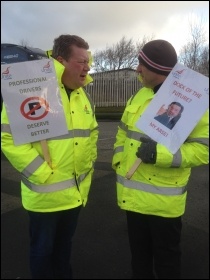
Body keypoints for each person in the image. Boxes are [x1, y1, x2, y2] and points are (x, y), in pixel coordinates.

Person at [1, 34, 99, 279]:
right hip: (45, 197)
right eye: (80, 61)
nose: (87, 67)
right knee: (42, 252)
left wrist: (89, 165)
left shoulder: (81, 94)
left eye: (88, 62)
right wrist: (41, 173)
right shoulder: (29, 87)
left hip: (75, 195)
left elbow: (92, 133)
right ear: (60, 60)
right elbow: (7, 137)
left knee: (63, 250)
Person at [112, 39, 209, 279]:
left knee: (167, 265)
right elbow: (123, 131)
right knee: (139, 262)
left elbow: (204, 150)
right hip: (132, 198)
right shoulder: (139, 95)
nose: (137, 69)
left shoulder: (195, 102)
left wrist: (160, 155)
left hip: (163, 204)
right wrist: (117, 161)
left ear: (158, 69)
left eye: (142, 64)